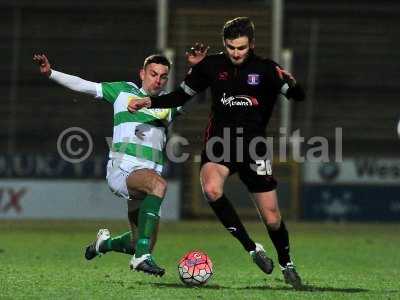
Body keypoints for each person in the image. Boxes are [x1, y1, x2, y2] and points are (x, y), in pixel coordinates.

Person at [127, 17, 305, 288]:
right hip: (219, 145)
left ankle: (286, 262)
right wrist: (150, 101)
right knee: (211, 189)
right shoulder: (210, 66)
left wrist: (293, 85)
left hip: (254, 148)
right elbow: (180, 96)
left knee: (272, 218)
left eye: (242, 48)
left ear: (252, 44)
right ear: (224, 44)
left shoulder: (267, 69)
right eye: (231, 47)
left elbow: (297, 96)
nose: (236, 53)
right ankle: (251, 248)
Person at [33, 50, 205, 276]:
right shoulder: (124, 92)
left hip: (146, 177)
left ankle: (103, 244)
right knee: (159, 186)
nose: (158, 80)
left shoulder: (166, 105)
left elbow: (197, 98)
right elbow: (86, 86)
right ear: (142, 74)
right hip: (124, 171)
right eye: (153, 74)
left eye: (163, 76)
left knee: (139, 241)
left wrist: (199, 71)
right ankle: (141, 258)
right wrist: (51, 73)